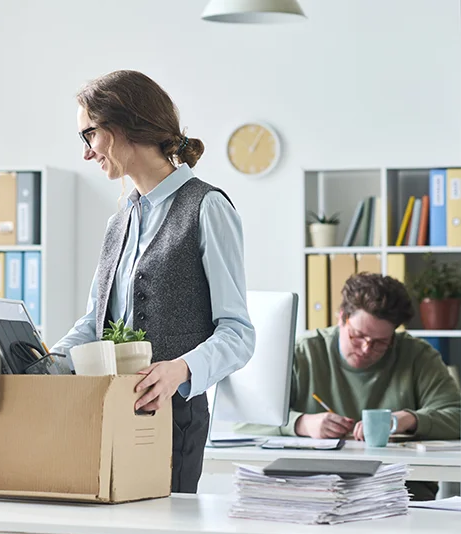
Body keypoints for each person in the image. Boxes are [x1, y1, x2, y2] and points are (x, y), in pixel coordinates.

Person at [51, 70, 256, 493]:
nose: (87, 153)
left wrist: (179, 370)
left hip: (173, 419)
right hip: (108, 413)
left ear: (122, 125)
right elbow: (95, 323)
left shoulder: (207, 207)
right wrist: (42, 365)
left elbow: (238, 334)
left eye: (89, 135)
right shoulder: (119, 219)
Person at [238, 272, 461, 500]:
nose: (366, 349)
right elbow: (244, 421)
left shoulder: (417, 357)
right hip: (311, 492)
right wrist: (301, 424)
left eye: (380, 342)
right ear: (341, 317)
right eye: (358, 336)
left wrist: (409, 420)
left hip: (400, 492)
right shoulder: (302, 354)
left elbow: (456, 415)